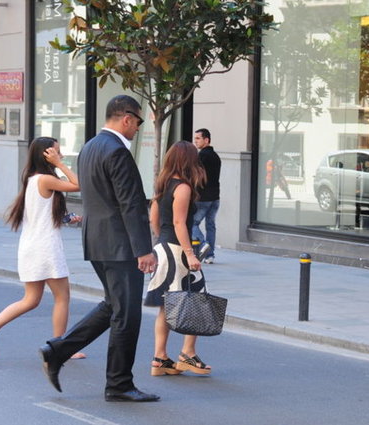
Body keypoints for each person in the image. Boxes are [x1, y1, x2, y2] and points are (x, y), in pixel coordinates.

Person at [39, 95, 159, 402]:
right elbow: (130, 203)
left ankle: (58, 350)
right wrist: (144, 249)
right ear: (127, 119)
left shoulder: (90, 147)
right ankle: (118, 384)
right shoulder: (117, 151)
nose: (138, 128)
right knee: (127, 315)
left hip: (97, 241)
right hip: (120, 245)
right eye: (138, 122)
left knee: (113, 306)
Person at [0, 137, 85, 360]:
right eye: (57, 151)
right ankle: (59, 348)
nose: (61, 154)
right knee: (62, 297)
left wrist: (65, 218)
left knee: (31, 300)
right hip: (45, 247)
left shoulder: (33, 180)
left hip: (32, 245)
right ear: (47, 155)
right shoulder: (45, 179)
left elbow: (42, 214)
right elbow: (78, 185)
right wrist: (60, 165)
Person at [145, 141, 211, 376]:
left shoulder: (162, 184)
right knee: (197, 300)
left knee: (166, 305)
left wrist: (160, 242)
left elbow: (154, 218)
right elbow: (179, 222)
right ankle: (187, 354)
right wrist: (190, 253)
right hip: (177, 250)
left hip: (163, 248)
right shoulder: (183, 187)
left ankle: (160, 358)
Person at [192, 128, 221, 263]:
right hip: (215, 197)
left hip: (203, 197)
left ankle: (205, 246)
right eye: (195, 138)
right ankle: (210, 256)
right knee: (210, 225)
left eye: (198, 138)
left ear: (206, 140)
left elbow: (196, 177)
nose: (195, 141)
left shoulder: (201, 157)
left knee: (192, 223)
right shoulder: (216, 156)